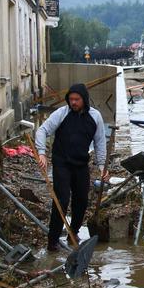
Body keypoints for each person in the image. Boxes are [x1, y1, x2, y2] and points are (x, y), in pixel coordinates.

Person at [35, 83, 108, 251]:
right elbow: (42, 131)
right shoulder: (61, 113)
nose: (73, 103)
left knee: (81, 200)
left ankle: (73, 232)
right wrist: (41, 152)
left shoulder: (95, 117)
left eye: (77, 99)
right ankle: (52, 241)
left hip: (81, 164)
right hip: (62, 163)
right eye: (71, 99)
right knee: (61, 200)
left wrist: (102, 166)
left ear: (84, 99)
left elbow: (100, 143)